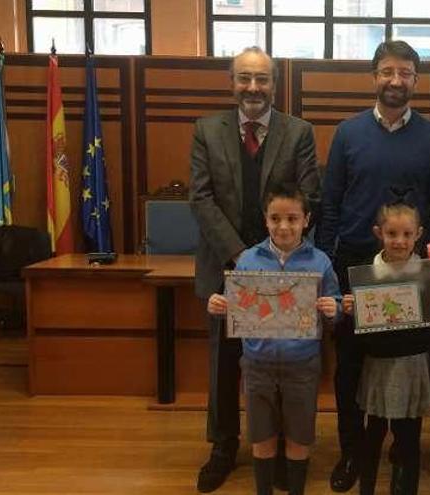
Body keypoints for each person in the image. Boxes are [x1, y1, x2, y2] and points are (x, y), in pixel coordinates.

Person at [316, 40, 430, 492]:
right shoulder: (348, 133)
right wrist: (324, 269)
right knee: (353, 369)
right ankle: (353, 453)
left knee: (409, 361)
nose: (396, 80)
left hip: (413, 269)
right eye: (387, 71)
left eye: (406, 73)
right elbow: (330, 204)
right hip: (355, 265)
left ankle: (403, 448)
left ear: (417, 80)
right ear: (374, 76)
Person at [189, 46, 320, 493]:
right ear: (231, 82)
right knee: (224, 363)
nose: (252, 87)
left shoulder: (298, 132)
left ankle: (281, 448)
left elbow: (308, 197)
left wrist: (271, 259)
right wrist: (245, 259)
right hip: (226, 267)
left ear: (274, 84)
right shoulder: (206, 130)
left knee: (277, 364)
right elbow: (200, 198)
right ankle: (224, 446)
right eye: (244, 78)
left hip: (285, 270)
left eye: (261, 79)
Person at [207, 185, 340, 495]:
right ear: (265, 220)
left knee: (299, 436)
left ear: (306, 219)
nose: (284, 226)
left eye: (292, 219)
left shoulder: (320, 262)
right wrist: (218, 307)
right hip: (257, 365)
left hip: (302, 366)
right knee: (261, 437)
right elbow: (234, 309)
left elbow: (335, 308)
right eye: (275, 218)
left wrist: (334, 309)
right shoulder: (248, 261)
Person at [341, 201, 430, 495]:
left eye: (407, 234)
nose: (400, 241)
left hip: (413, 363)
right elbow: (357, 326)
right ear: (379, 233)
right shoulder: (366, 271)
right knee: (374, 433)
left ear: (418, 234)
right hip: (377, 362)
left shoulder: (429, 274)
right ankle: (366, 488)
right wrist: (351, 308)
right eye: (392, 233)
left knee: (408, 438)